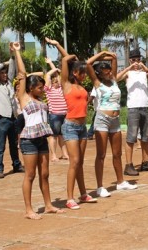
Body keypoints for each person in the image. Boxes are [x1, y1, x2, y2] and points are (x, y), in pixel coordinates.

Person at [12, 42, 65, 220]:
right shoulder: (24, 98)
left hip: (42, 138)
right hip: (28, 140)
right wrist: (17, 52)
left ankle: (48, 205)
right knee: (30, 174)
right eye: (39, 87)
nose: (42, 89)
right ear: (30, 88)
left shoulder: (41, 100)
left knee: (45, 174)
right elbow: (22, 74)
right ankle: (28, 210)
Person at [87, 51, 137, 198]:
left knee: (117, 153)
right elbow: (88, 63)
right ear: (99, 74)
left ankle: (120, 182)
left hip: (115, 120)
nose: (109, 73)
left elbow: (114, 58)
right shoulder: (97, 83)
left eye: (109, 70)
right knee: (101, 154)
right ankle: (100, 186)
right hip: (102, 119)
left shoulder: (114, 80)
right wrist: (102, 53)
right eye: (105, 71)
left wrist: (109, 56)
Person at [60, 53, 97, 210]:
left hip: (82, 127)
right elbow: (63, 60)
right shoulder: (66, 85)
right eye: (82, 73)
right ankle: (69, 198)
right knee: (74, 162)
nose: (84, 75)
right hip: (70, 127)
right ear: (74, 72)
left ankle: (83, 194)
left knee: (80, 162)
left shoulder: (82, 88)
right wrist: (73, 56)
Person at [117, 48, 148, 176]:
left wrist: (145, 68)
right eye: (134, 60)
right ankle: (128, 165)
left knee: (146, 137)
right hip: (133, 108)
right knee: (131, 137)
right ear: (130, 60)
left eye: (139, 60)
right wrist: (129, 68)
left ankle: (146, 162)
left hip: (145, 107)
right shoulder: (128, 73)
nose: (137, 62)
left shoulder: (144, 73)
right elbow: (116, 78)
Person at [0, 44, 24, 179]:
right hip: (1, 119)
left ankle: (16, 165)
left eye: (5, 73)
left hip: (12, 118)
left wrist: (11, 55)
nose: (5, 75)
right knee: (0, 145)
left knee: (13, 144)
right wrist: (3, 63)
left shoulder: (9, 83)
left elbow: (12, 68)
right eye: (2, 73)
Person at [44, 58, 69, 162]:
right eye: (53, 81)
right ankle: (53, 155)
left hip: (64, 115)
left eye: (56, 81)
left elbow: (59, 76)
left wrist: (54, 66)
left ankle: (64, 154)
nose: (56, 82)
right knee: (53, 136)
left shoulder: (61, 89)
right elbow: (47, 76)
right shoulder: (48, 90)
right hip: (54, 115)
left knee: (62, 135)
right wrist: (51, 64)